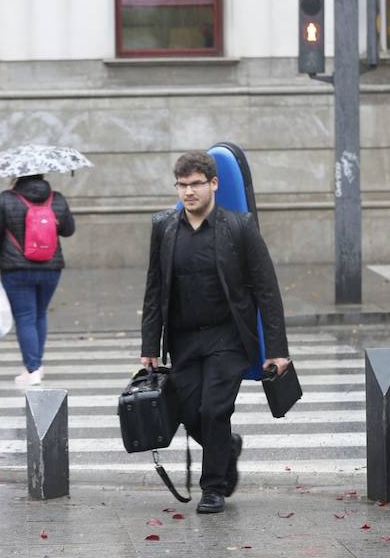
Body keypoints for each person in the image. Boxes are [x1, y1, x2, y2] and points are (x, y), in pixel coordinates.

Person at [141, 151, 290, 515]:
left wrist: (277, 348)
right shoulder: (164, 227)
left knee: (214, 410)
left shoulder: (239, 227)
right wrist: (149, 345)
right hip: (182, 340)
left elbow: (266, 290)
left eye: (196, 184)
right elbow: (155, 289)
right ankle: (228, 446)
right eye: (182, 185)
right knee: (188, 411)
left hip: (227, 338)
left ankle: (213, 488)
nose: (189, 192)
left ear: (213, 184)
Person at [0, 174, 75, 386]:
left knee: (25, 316)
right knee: (39, 314)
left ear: (18, 177)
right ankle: (37, 365)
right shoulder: (57, 198)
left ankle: (32, 369)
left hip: (16, 268)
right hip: (51, 267)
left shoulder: (5, 199)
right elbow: (69, 230)